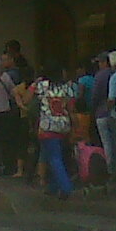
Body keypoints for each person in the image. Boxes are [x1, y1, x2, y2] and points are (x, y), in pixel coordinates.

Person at [31, 67, 77, 200]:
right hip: (63, 125)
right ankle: (52, 186)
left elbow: (27, 99)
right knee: (51, 155)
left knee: (54, 158)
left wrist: (35, 83)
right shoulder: (67, 87)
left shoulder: (42, 86)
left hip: (47, 127)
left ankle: (65, 186)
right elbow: (71, 108)